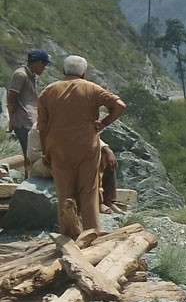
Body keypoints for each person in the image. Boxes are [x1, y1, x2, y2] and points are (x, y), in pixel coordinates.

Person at [37, 55, 125, 235]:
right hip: (86, 147)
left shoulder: (48, 91)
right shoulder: (92, 89)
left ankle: (68, 235)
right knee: (89, 192)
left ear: (64, 70)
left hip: (58, 147)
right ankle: (91, 235)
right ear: (83, 73)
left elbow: (42, 127)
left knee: (64, 193)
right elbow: (120, 105)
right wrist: (104, 122)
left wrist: (46, 152)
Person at [7, 49, 53, 176]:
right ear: (37, 62)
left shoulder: (30, 75)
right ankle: (27, 184)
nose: (44, 68)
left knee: (34, 153)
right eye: (44, 64)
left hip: (30, 119)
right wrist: (12, 120)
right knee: (30, 156)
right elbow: (12, 98)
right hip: (23, 120)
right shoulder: (21, 75)